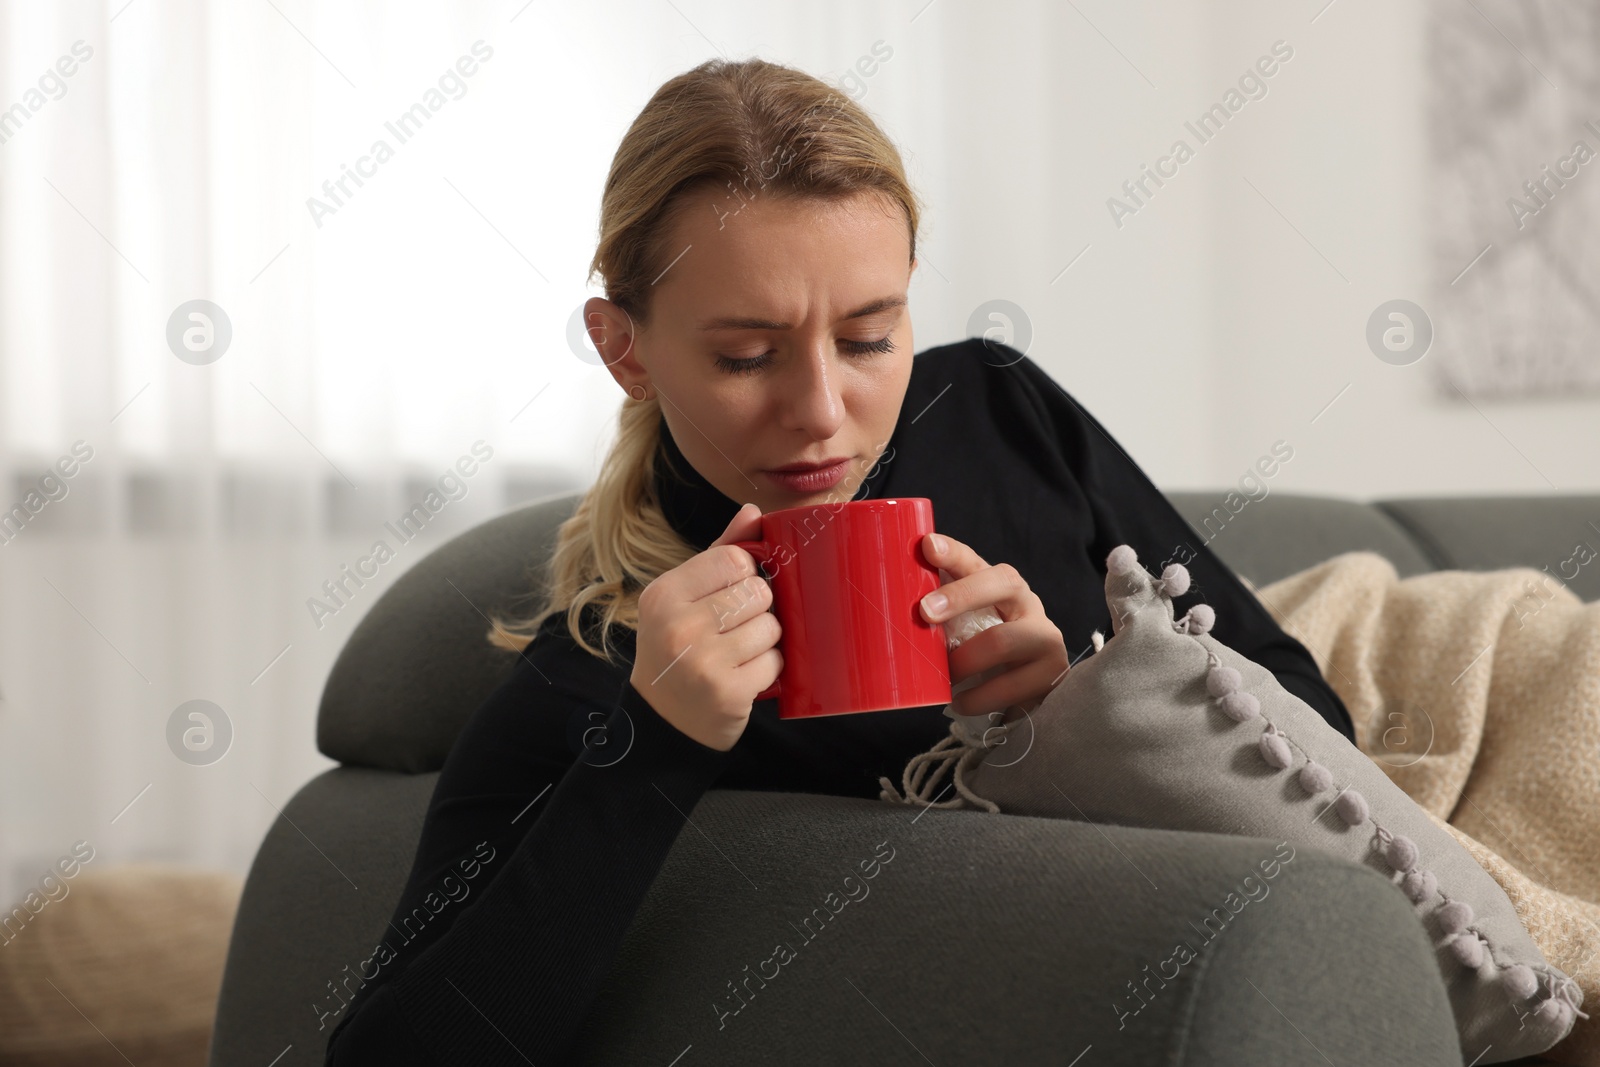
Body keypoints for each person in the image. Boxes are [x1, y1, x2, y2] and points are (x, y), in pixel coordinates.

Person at [323, 56, 1354, 1066]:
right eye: (744, 356)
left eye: (867, 338)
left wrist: (1088, 713)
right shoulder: (590, 681)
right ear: (624, 350)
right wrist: (659, 746)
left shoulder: (1001, 414)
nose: (821, 414)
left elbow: (1321, 733)